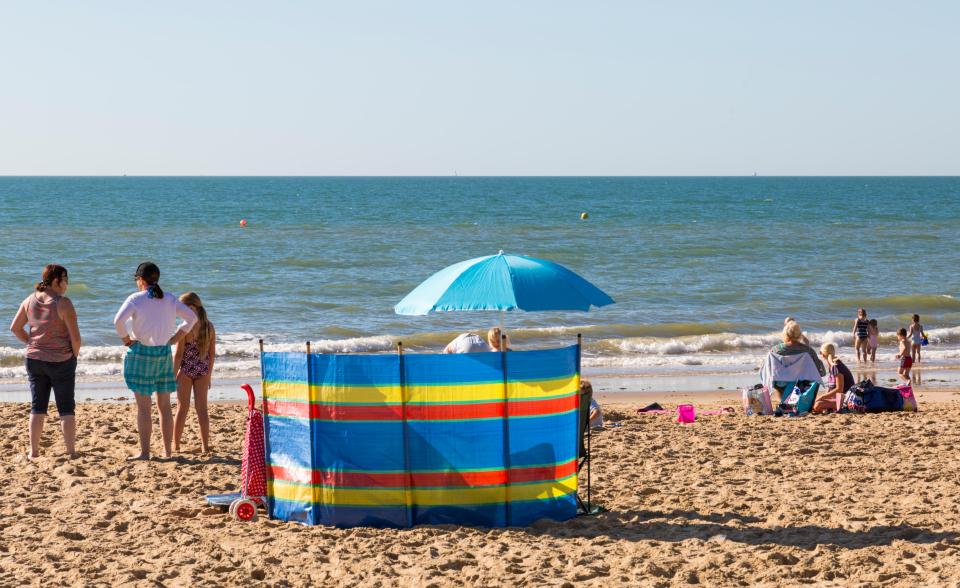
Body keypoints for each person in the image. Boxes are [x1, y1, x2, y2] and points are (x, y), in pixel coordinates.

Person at [113, 262, 197, 460]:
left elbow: (117, 321)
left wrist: (126, 340)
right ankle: (167, 451)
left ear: (140, 280)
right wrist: (176, 338)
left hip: (141, 353)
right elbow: (191, 318)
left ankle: (145, 452)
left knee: (143, 407)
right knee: (164, 406)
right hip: (163, 353)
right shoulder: (169, 298)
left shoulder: (135, 299)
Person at [8, 265, 82, 459]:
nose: (67, 284)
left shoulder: (29, 300)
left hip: (34, 359)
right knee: (66, 407)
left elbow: (15, 328)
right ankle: (71, 451)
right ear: (56, 280)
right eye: (66, 280)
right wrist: (74, 355)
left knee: (37, 406)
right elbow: (76, 338)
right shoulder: (63, 303)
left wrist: (32, 342)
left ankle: (34, 452)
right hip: (61, 361)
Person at [173, 292, 215, 454]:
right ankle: (205, 446)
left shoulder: (185, 327)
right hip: (203, 371)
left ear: (192, 308)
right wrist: (209, 375)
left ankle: (176, 445)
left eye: (183, 309)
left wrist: (172, 374)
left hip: (185, 371)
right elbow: (212, 354)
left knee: (182, 408)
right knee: (202, 409)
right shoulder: (209, 326)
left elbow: (178, 356)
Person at [812, 343, 854, 413]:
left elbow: (839, 389)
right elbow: (830, 388)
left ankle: (829, 408)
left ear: (823, 354)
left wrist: (822, 397)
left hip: (846, 399)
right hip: (838, 398)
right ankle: (829, 408)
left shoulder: (836, 366)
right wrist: (823, 397)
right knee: (815, 402)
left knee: (818, 404)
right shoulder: (832, 366)